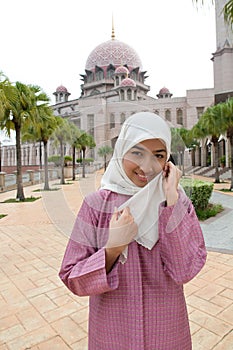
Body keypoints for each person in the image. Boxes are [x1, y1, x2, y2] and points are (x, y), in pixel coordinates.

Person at [59, 112, 207, 350]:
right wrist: (112, 249)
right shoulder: (96, 205)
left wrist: (171, 200)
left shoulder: (178, 203)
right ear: (121, 152)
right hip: (112, 335)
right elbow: (72, 278)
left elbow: (184, 270)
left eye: (158, 156)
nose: (146, 167)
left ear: (168, 160)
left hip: (166, 334)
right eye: (137, 152)